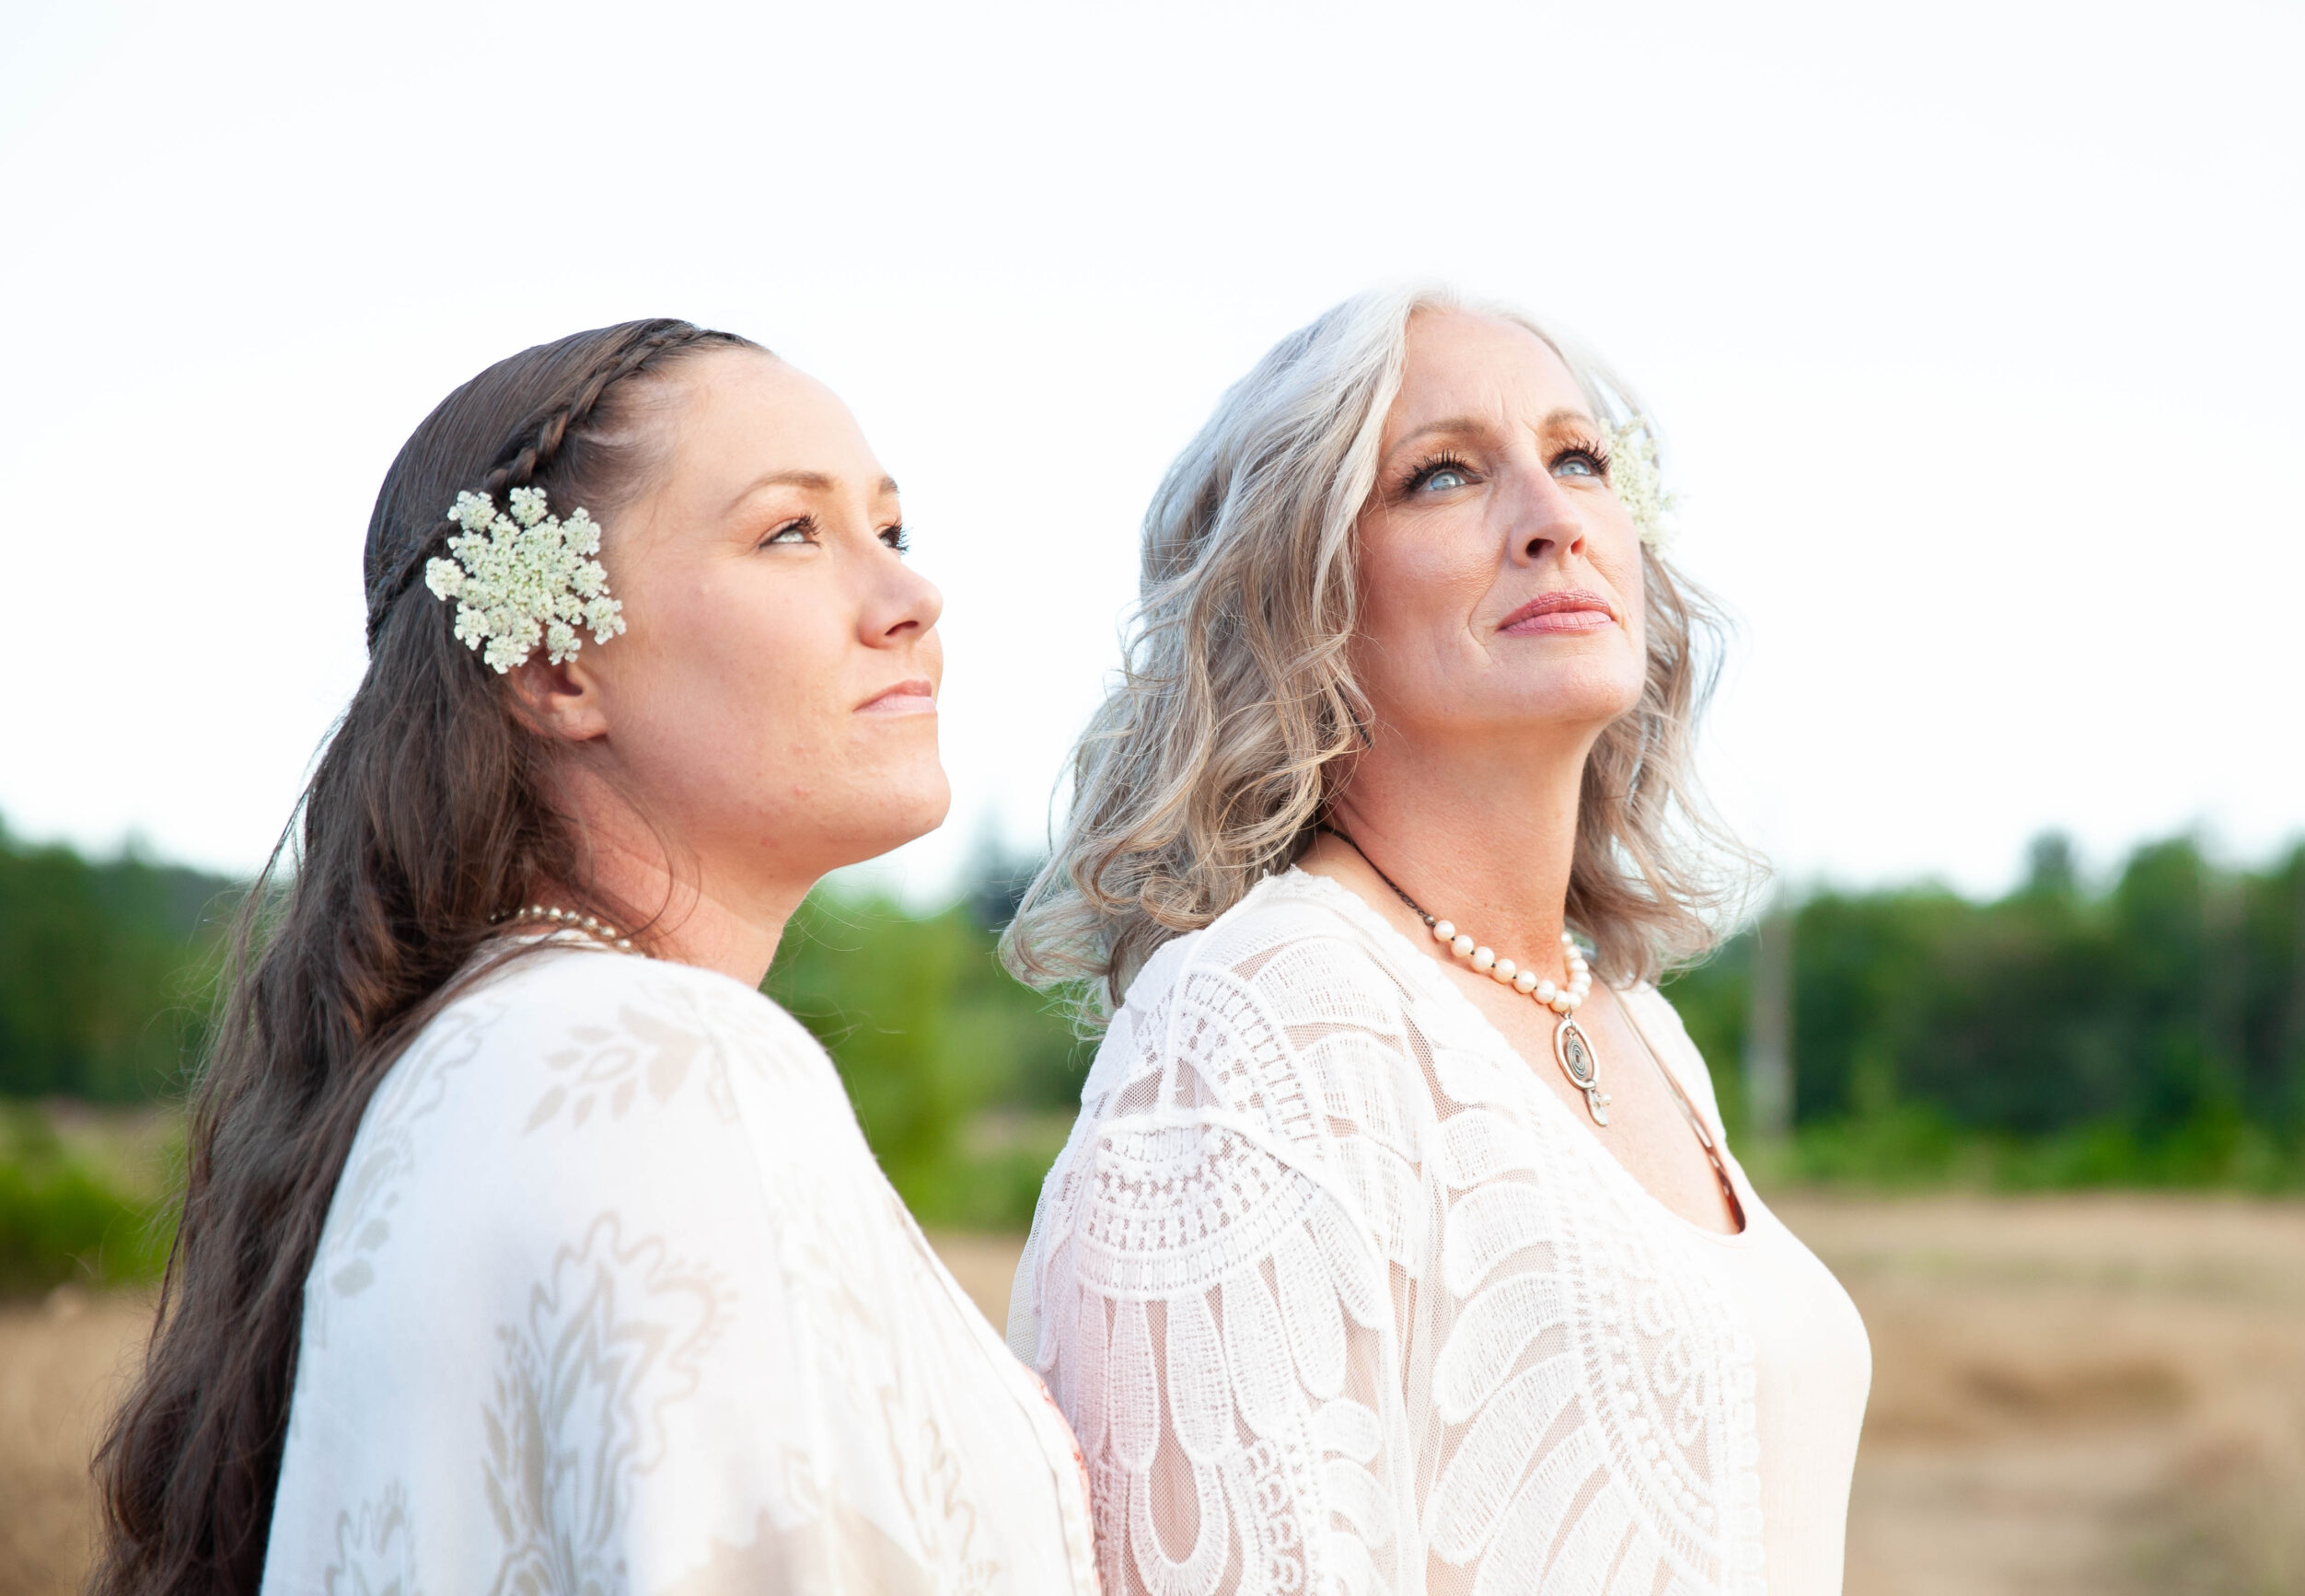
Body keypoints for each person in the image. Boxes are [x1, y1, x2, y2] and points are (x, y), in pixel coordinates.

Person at [95, 320, 1099, 1596]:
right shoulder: (666, 1073)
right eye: (792, 531)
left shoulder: (491, 1055)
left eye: (891, 531)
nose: (912, 599)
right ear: (560, 664)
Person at [1004, 286, 1871, 1596]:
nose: (1554, 518)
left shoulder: (1644, 1027)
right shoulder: (1256, 1024)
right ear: (1297, 598)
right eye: (1445, 474)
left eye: (1579, 457)